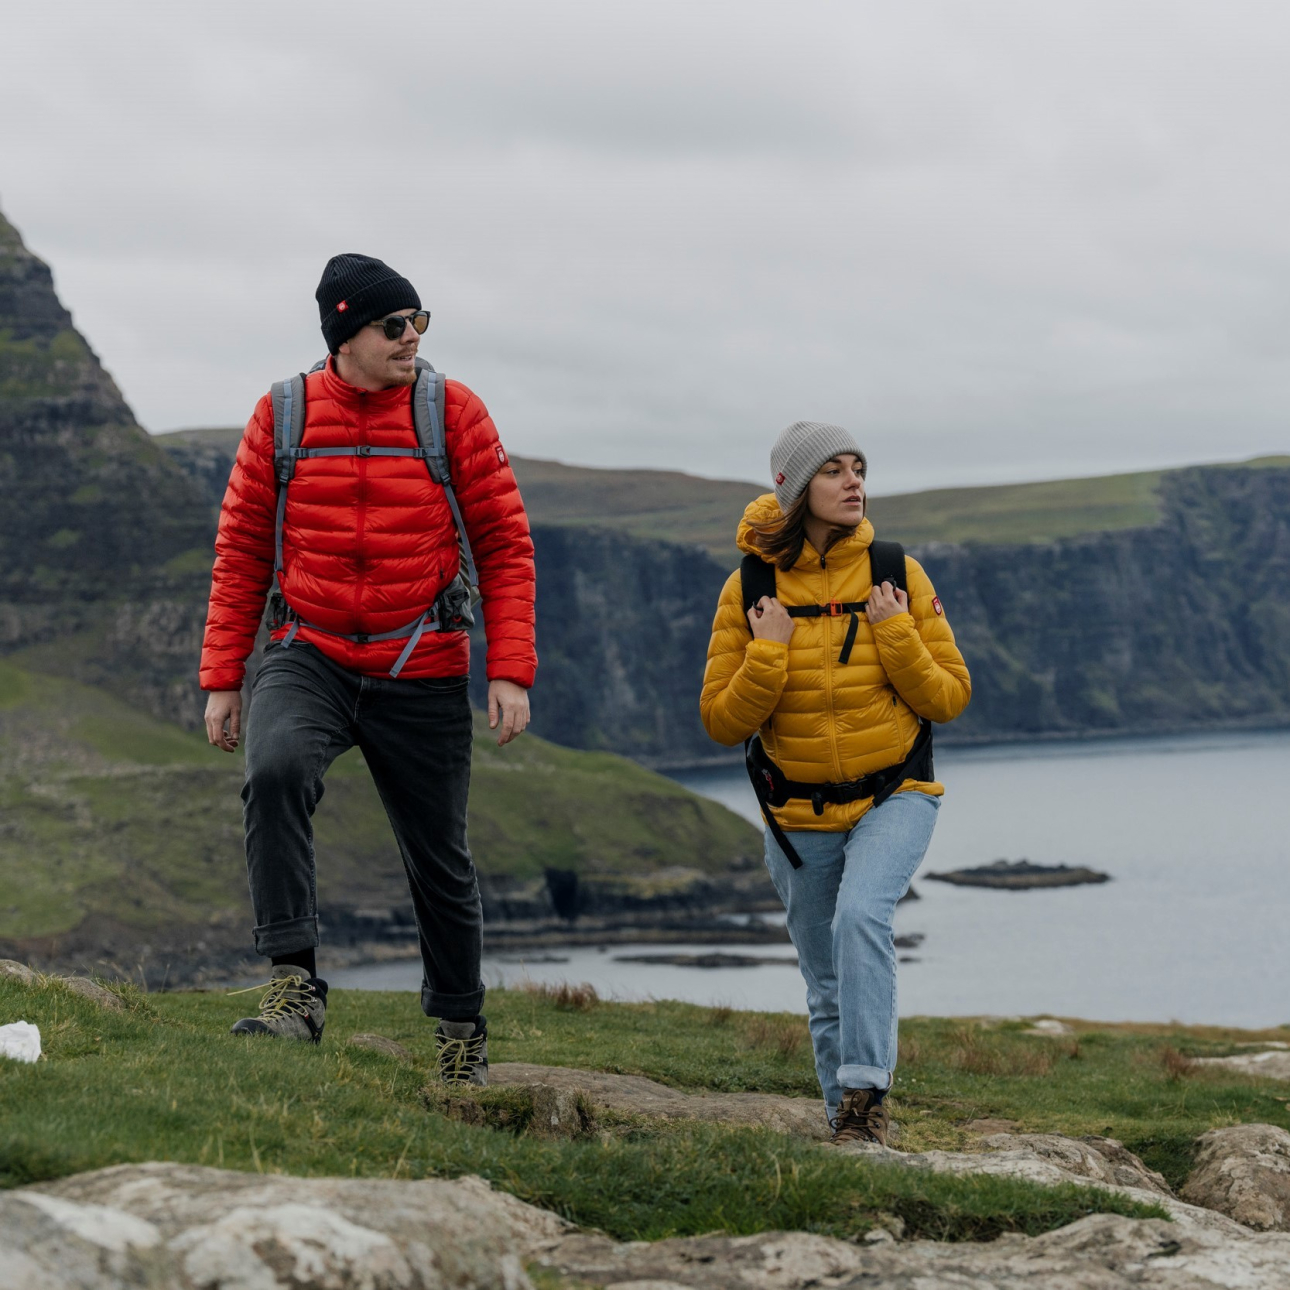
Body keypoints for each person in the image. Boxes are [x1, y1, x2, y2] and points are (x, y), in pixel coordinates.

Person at [200, 253, 536, 1085]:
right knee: (274, 772)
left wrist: (511, 670)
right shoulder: (281, 415)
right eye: (395, 325)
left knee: (439, 857)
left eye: (421, 322)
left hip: (421, 661)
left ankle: (460, 1032)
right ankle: (295, 987)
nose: (412, 338)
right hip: (308, 652)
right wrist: (223, 677)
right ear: (344, 334)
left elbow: (503, 542)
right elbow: (241, 548)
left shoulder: (451, 410)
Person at [700, 421, 970, 1144]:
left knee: (861, 919)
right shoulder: (749, 586)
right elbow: (722, 722)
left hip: (896, 795)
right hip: (797, 814)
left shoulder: (896, 571)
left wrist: (896, 634)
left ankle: (866, 1098)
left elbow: (948, 697)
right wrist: (768, 655)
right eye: (834, 471)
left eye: (859, 468)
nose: (854, 482)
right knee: (825, 986)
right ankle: (847, 1131)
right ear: (794, 490)